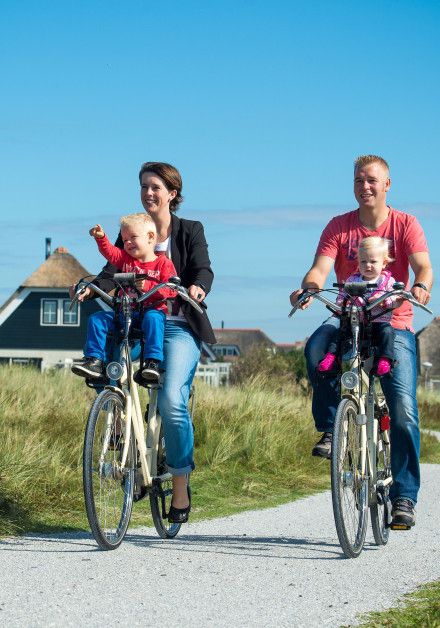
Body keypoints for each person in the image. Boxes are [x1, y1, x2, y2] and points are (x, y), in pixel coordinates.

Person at [289, 155, 433, 529]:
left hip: (392, 322)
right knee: (316, 350)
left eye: (371, 180)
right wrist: (308, 288)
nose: (364, 186)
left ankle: (404, 496)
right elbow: (320, 268)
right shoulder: (339, 226)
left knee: (402, 406)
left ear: (387, 184)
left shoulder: (406, 224)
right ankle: (330, 426)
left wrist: (420, 287)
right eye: (358, 180)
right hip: (348, 318)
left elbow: (423, 266)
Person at [72, 162, 215, 524]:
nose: (149, 193)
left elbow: (203, 268)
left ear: (172, 193)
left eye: (155, 187)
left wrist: (196, 287)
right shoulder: (131, 232)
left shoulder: (190, 231)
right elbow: (111, 272)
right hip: (135, 324)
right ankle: (123, 434)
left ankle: (180, 486)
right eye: (143, 187)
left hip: (177, 325)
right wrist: (91, 287)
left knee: (170, 402)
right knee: (108, 366)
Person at [71, 213, 176, 384]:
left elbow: (172, 290)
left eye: (133, 237)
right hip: (123, 314)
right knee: (97, 319)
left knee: (154, 318)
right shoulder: (126, 260)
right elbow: (110, 253)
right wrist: (101, 238)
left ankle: (152, 363)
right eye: (125, 239)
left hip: (148, 313)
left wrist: (149, 287)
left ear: (150, 237)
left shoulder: (163, 264)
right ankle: (94, 361)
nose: (127, 243)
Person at [318, 236, 398, 377]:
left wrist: (382, 300)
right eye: (363, 261)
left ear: (384, 263)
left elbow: (394, 299)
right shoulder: (353, 280)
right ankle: (331, 357)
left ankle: (385, 360)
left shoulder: (387, 282)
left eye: (373, 261)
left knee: (387, 332)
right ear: (358, 263)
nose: (368, 265)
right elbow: (343, 294)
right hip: (356, 322)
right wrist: (342, 303)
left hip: (378, 323)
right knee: (339, 333)